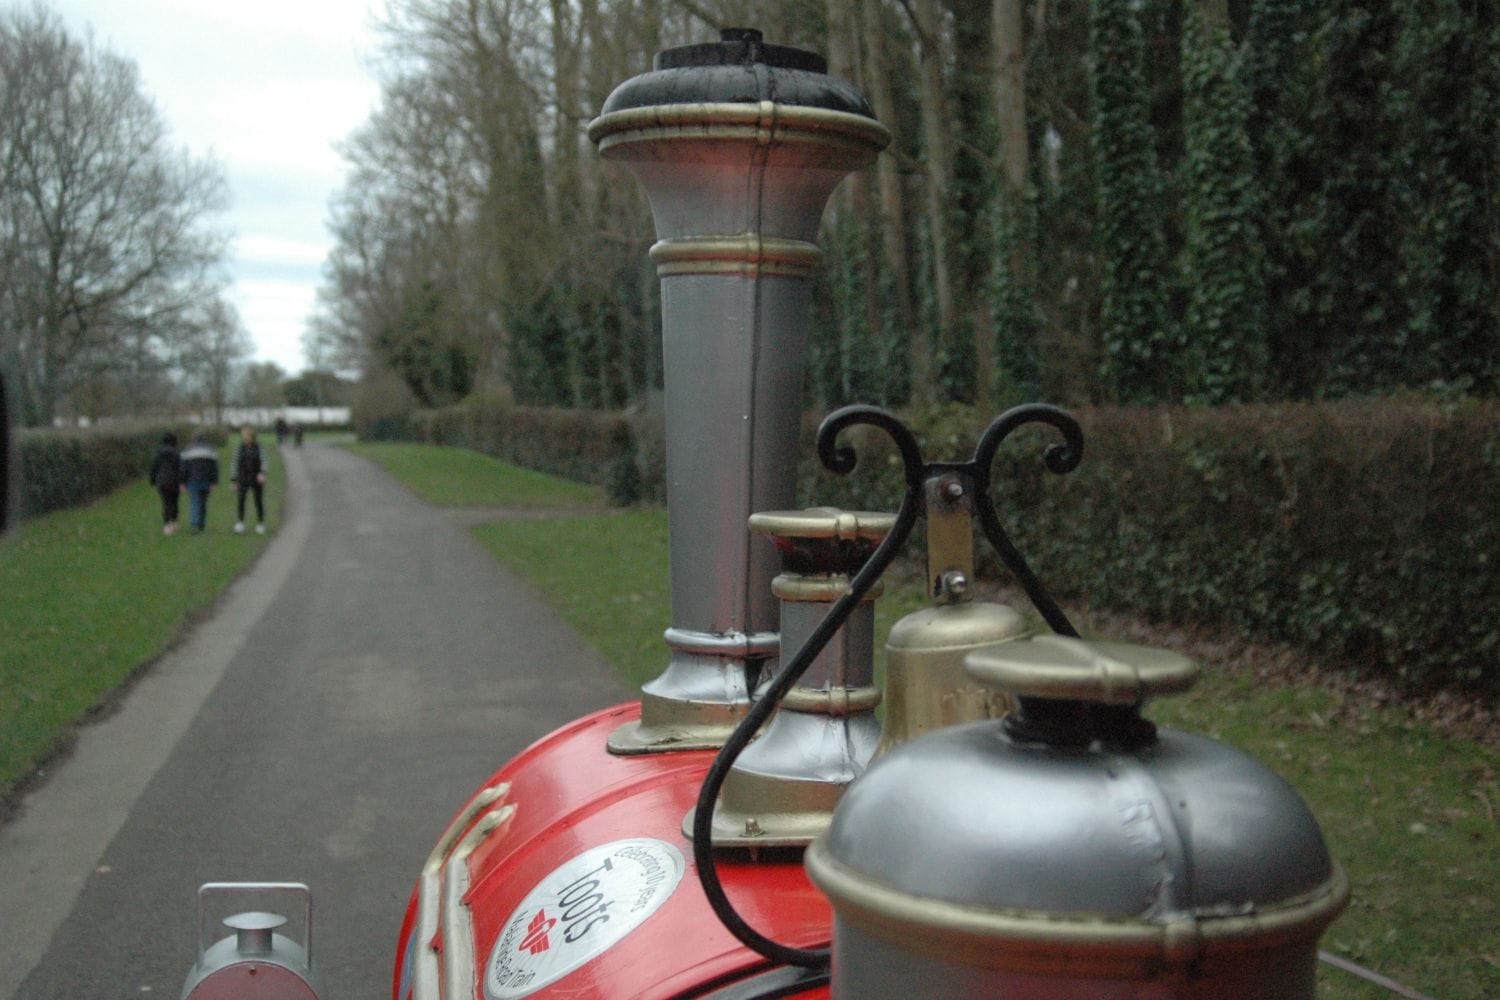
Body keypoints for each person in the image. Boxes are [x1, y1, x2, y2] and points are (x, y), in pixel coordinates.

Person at [179, 430, 219, 533]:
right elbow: (214, 468)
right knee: (203, 503)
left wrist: (182, 482)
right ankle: (201, 524)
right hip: (206, 480)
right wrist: (214, 482)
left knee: (194, 502)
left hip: (192, 480)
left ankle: (194, 524)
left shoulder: (187, 450)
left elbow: (183, 468)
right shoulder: (211, 450)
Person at [231, 425, 268, 535]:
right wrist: (233, 480)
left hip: (256, 477)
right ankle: (240, 523)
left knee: (258, 501)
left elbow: (264, 461)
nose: (245, 437)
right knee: (241, 500)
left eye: (247, 435)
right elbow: (234, 464)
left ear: (252, 436)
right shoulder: (239, 448)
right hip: (242, 478)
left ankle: (260, 523)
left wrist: (263, 473)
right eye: (243, 435)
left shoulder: (259, 447)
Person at [147, 432, 183, 535]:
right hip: (175, 481)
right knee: (174, 502)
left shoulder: (158, 453)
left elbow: (154, 467)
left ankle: (167, 525)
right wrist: (183, 480)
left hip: (162, 481)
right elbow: (181, 467)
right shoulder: (178, 453)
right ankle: (175, 522)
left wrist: (152, 480)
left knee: (166, 503)